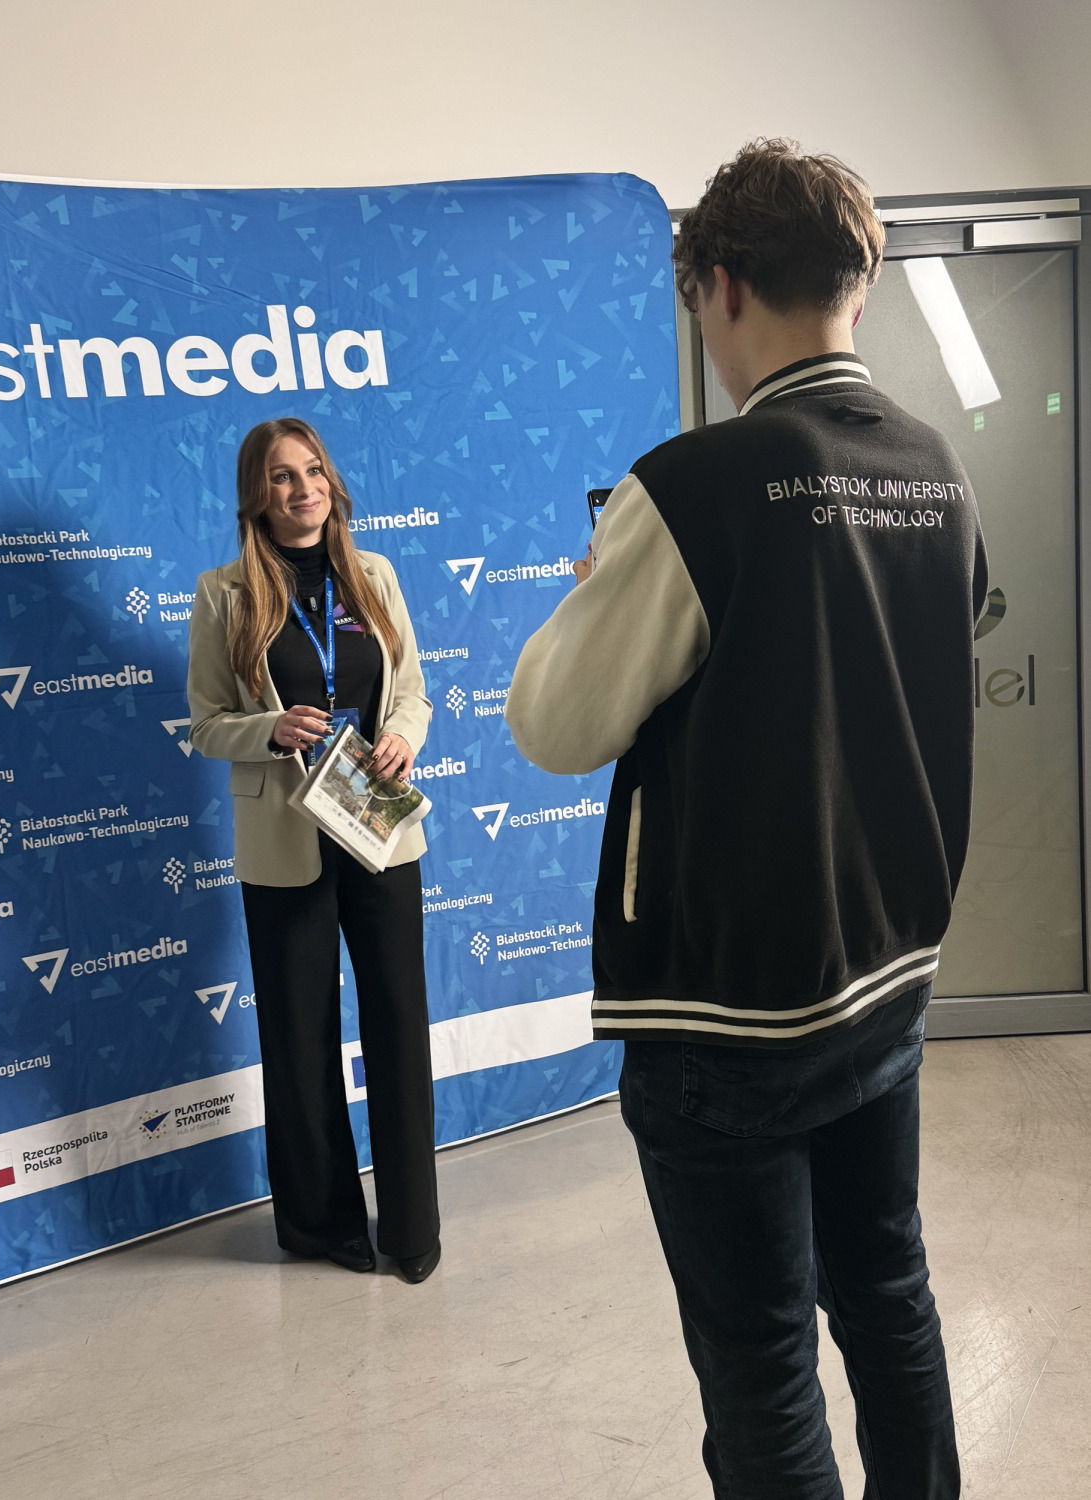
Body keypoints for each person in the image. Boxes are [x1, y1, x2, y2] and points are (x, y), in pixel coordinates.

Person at [505, 140, 986, 1498]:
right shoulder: (935, 470)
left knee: (761, 1358)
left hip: (723, 1008)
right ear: (856, 282)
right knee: (887, 1294)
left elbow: (552, 725)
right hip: (885, 972)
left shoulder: (695, 487)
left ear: (718, 285)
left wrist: (596, 585)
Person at [187, 416, 441, 1284]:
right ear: (256, 496)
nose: (302, 490)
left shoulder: (374, 576)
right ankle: (317, 1223)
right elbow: (206, 725)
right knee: (298, 1037)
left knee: (399, 1024)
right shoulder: (223, 594)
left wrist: (401, 735)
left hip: (378, 827)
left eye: (312, 471)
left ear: (331, 481)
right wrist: (269, 728)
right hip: (283, 839)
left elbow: (412, 693)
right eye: (281, 477)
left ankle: (412, 1226)